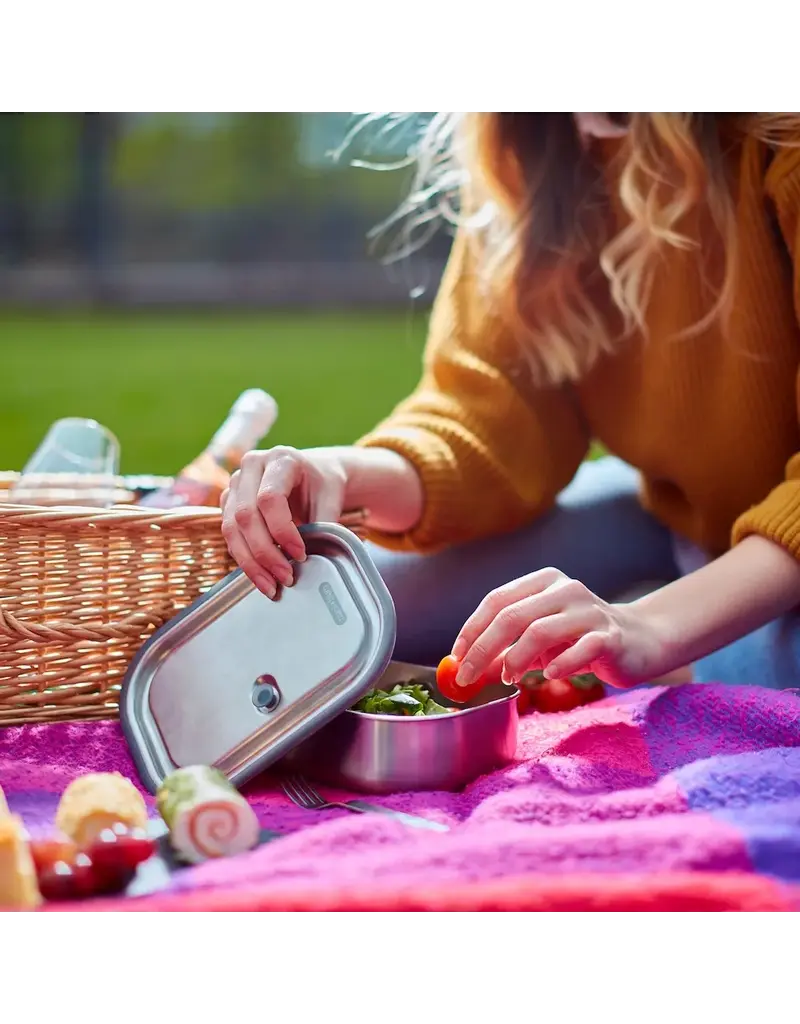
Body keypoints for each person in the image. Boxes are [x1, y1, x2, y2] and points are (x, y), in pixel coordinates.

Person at [221, 111, 800, 694]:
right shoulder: (527, 140)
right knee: (338, 613)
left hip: (783, 559)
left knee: (759, 673)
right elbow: (490, 416)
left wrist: (649, 627)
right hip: (678, 513)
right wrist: (345, 471)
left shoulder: (780, 139)